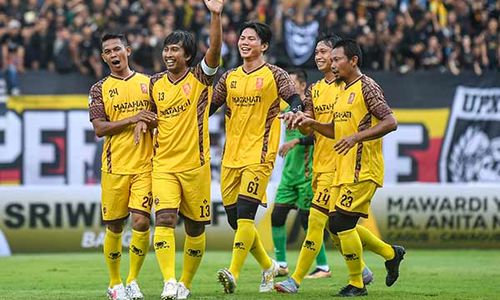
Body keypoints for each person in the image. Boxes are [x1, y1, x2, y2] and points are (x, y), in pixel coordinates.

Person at [291, 39, 405, 297]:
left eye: (337, 59)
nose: (332, 64)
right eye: (331, 60)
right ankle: (390, 254)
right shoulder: (341, 91)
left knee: (341, 223)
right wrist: (310, 122)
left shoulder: (367, 87)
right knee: (337, 224)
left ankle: (357, 283)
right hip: (344, 167)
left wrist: (356, 137)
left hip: (364, 168)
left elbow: (390, 121)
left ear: (353, 60)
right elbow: (333, 130)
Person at [210, 21, 303, 294]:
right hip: (231, 157)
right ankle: (268, 265)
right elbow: (208, 109)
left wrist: (294, 111)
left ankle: (233, 272)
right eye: (242, 37)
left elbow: (294, 99)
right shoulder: (229, 78)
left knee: (245, 216)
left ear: (263, 45)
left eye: (251, 38)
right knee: (234, 220)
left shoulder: (275, 74)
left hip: (260, 155)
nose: (244, 42)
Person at [275, 36, 373, 294]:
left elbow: (381, 121)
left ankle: (295, 280)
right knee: (337, 228)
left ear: (337, 55)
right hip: (320, 166)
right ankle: (379, 259)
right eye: (316, 52)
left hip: (340, 166)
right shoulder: (317, 89)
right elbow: (311, 121)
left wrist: (350, 137)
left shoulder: (349, 87)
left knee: (319, 224)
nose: (318, 56)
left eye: (323, 52)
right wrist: (296, 117)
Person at [142, 1, 223, 299]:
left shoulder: (200, 80)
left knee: (195, 228)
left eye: (175, 49)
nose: (168, 54)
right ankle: (169, 281)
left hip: (196, 167)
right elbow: (149, 116)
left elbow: (214, 51)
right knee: (163, 219)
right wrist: (142, 122)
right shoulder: (153, 84)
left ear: (187, 55)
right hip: (163, 165)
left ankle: (185, 284)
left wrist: (216, 15)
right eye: (166, 48)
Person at [88, 33, 157, 300]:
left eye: (117, 49)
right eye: (108, 52)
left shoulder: (149, 83)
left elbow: (159, 118)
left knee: (140, 222)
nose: (113, 55)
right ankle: (115, 283)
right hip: (114, 167)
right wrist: (133, 119)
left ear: (128, 50)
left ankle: (132, 280)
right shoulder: (99, 88)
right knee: (115, 227)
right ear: (104, 57)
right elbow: (99, 128)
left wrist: (146, 121)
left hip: (145, 166)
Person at [271, 68, 331, 279]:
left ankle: (323, 267)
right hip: (288, 176)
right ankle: (281, 264)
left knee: (308, 222)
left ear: (303, 85)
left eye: (292, 82)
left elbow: (318, 135)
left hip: (307, 175)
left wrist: (296, 140)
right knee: (277, 216)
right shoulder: (287, 108)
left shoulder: (310, 109)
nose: (287, 87)